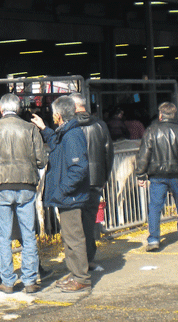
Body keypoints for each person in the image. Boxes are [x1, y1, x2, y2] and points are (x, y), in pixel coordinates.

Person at [0, 93, 49, 294]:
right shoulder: (30, 129)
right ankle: (29, 280)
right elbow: (41, 160)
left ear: (0, 110)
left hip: (0, 185)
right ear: (18, 109)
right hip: (26, 184)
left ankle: (8, 281)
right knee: (28, 234)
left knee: (4, 235)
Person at [34, 96, 92, 293]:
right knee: (69, 237)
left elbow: (78, 168)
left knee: (74, 238)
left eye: (53, 114)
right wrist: (44, 129)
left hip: (70, 196)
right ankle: (75, 273)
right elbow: (56, 144)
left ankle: (81, 277)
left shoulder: (72, 136)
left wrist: (61, 190)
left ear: (58, 116)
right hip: (68, 196)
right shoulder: (66, 133)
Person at [136, 102, 178, 252]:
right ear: (174, 114)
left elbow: (144, 155)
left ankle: (154, 239)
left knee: (155, 208)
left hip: (157, 175)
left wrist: (140, 174)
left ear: (161, 114)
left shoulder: (151, 131)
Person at [69, 92, 113, 270]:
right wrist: (104, 177)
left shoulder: (69, 126)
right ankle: (88, 258)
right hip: (95, 180)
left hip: (75, 180)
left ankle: (77, 262)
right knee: (89, 222)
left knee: (73, 223)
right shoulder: (100, 125)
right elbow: (108, 153)